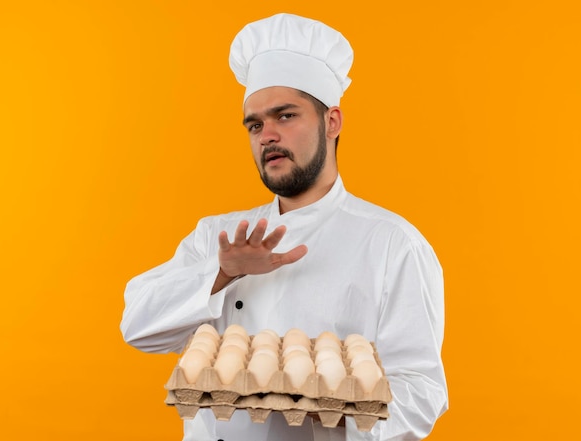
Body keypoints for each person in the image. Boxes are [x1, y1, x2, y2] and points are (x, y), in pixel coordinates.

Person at [121, 12, 448, 441]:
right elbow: (138, 328)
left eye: (285, 116)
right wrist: (223, 273)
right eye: (254, 124)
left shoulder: (392, 243)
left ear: (332, 122)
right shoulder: (217, 237)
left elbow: (422, 392)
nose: (266, 136)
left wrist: (324, 403)